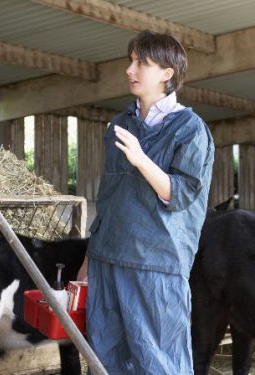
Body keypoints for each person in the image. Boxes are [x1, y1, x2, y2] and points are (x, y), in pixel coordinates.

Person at [79, 30, 215, 374]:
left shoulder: (190, 129)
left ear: (167, 73)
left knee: (159, 362)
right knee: (106, 359)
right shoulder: (120, 125)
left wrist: (141, 159)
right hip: (108, 258)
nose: (130, 69)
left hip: (157, 263)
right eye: (131, 61)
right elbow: (109, 199)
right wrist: (89, 258)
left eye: (142, 62)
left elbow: (181, 193)